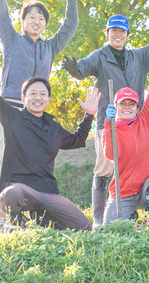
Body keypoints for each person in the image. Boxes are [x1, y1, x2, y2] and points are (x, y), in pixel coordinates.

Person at [62, 10, 149, 228]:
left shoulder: (138, 56)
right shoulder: (100, 56)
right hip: (109, 121)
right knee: (104, 168)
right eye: (114, 31)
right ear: (107, 33)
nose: (118, 35)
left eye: (122, 31)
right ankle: (100, 220)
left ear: (128, 34)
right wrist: (75, 69)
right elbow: (84, 67)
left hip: (137, 123)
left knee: (140, 165)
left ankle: (144, 211)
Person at [0, 0, 77, 175]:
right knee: (3, 161)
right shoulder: (11, 38)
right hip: (9, 108)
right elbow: (1, 11)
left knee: (31, 167)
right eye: (31, 17)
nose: (36, 21)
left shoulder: (50, 47)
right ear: (22, 21)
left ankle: (27, 208)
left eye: (41, 18)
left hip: (34, 113)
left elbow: (70, 26)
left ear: (45, 24)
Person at [0, 77, 100, 231]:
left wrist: (89, 114)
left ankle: (40, 223)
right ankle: (15, 224)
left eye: (42, 94)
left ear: (48, 99)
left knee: (85, 227)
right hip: (20, 188)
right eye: (32, 93)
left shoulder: (54, 129)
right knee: (10, 194)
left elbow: (78, 140)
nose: (37, 97)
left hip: (47, 191)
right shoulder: (13, 117)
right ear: (23, 98)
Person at [102, 45, 149, 224]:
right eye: (122, 104)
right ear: (116, 107)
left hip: (146, 191)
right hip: (123, 193)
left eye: (131, 104)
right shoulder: (112, 128)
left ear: (137, 107)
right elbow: (110, 155)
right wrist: (107, 124)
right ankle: (131, 216)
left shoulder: (145, 121)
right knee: (110, 228)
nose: (127, 107)